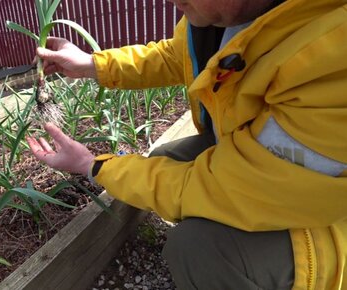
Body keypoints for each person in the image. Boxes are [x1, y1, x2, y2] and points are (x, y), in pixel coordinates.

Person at [26, 0, 347, 289]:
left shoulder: (333, 55)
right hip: (270, 178)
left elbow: (227, 188)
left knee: (197, 250)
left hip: (329, 223)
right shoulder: (226, 17)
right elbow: (179, 55)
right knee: (169, 157)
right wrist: (93, 65)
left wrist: (93, 166)